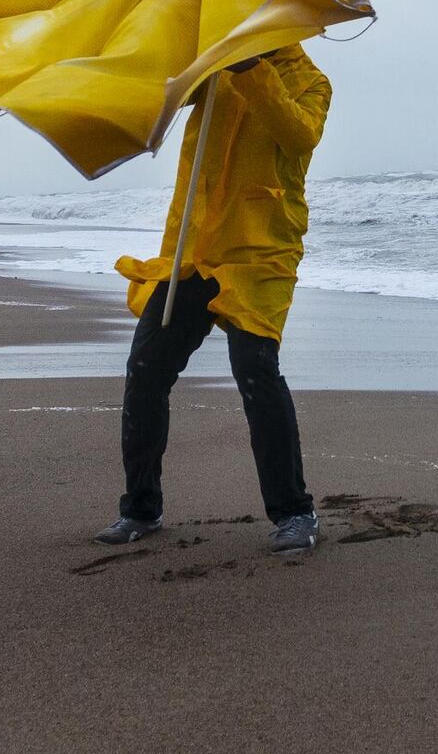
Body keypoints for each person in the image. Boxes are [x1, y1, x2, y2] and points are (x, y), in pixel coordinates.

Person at [95, 44, 331, 557]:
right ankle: (140, 508)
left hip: (260, 252)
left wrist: (250, 68)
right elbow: (160, 101)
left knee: (256, 371)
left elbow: (298, 134)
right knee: (146, 369)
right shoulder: (213, 72)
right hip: (194, 251)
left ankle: (295, 512)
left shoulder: (310, 80)